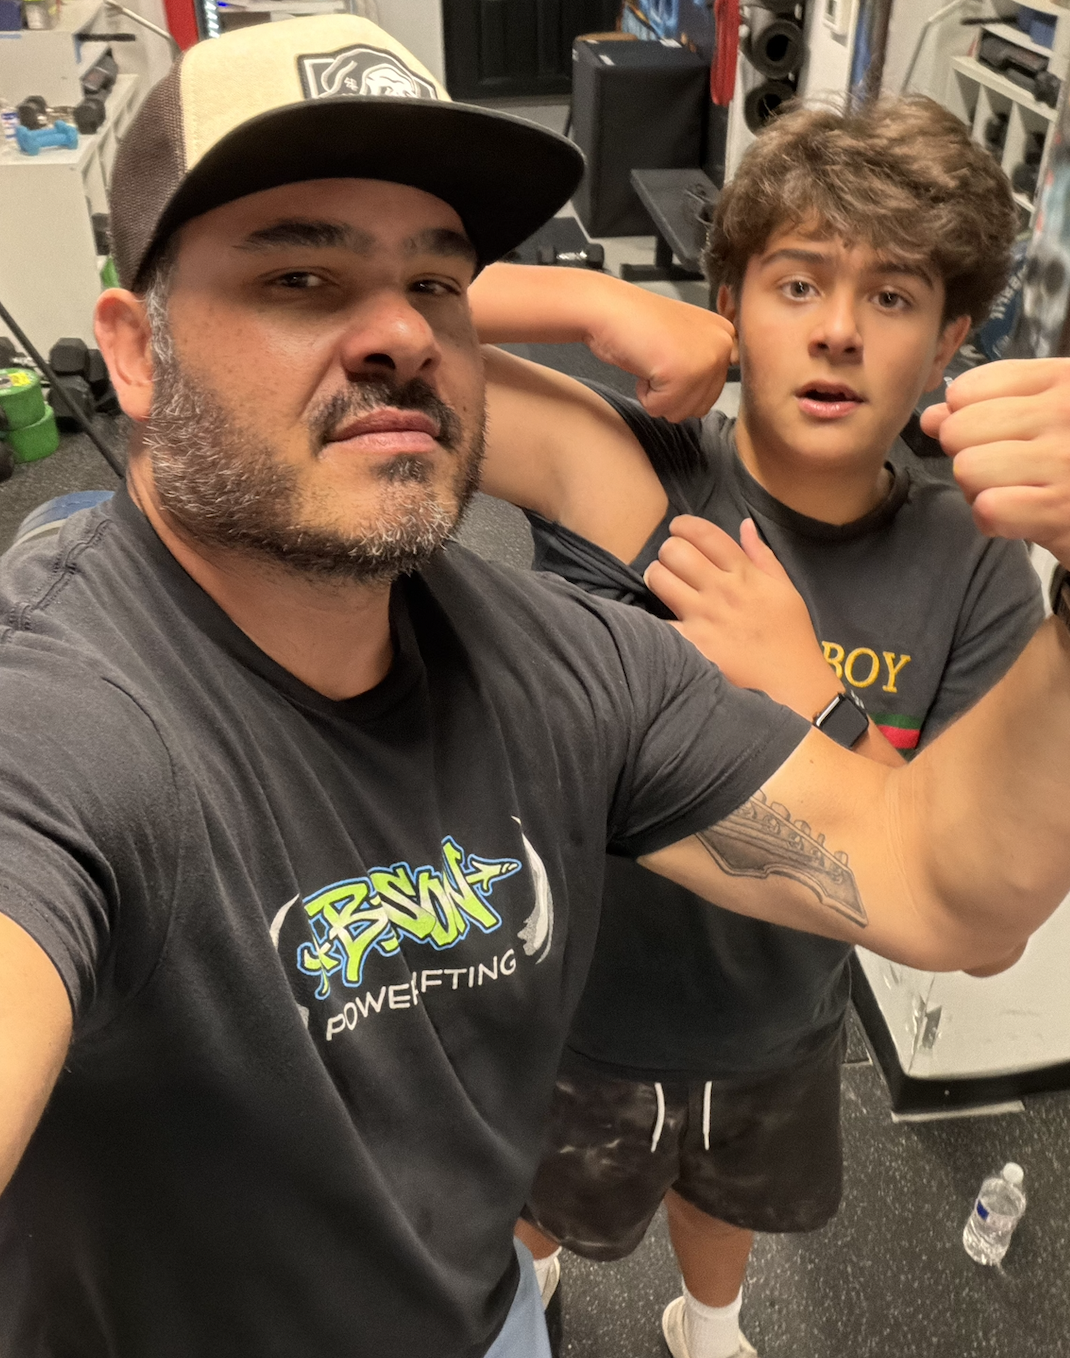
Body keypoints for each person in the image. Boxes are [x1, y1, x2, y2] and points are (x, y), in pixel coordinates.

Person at [3, 20, 1070, 1358]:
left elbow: (939, 887)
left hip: (488, 1307)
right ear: (135, 351)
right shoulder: (62, 718)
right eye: (300, 276)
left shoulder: (572, 665)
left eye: (436, 282)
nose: (399, 332)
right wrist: (596, 306)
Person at [469, 98, 1043, 1358]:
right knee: (539, 1206)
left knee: (723, 1194)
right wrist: (591, 303)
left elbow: (978, 927)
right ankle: (529, 1292)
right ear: (728, 303)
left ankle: (710, 1319)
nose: (836, 328)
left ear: (947, 341)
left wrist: (807, 689)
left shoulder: (973, 568)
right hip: (582, 1002)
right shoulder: (640, 475)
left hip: (779, 1016)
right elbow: (371, 326)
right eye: (796, 283)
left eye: (890, 296)